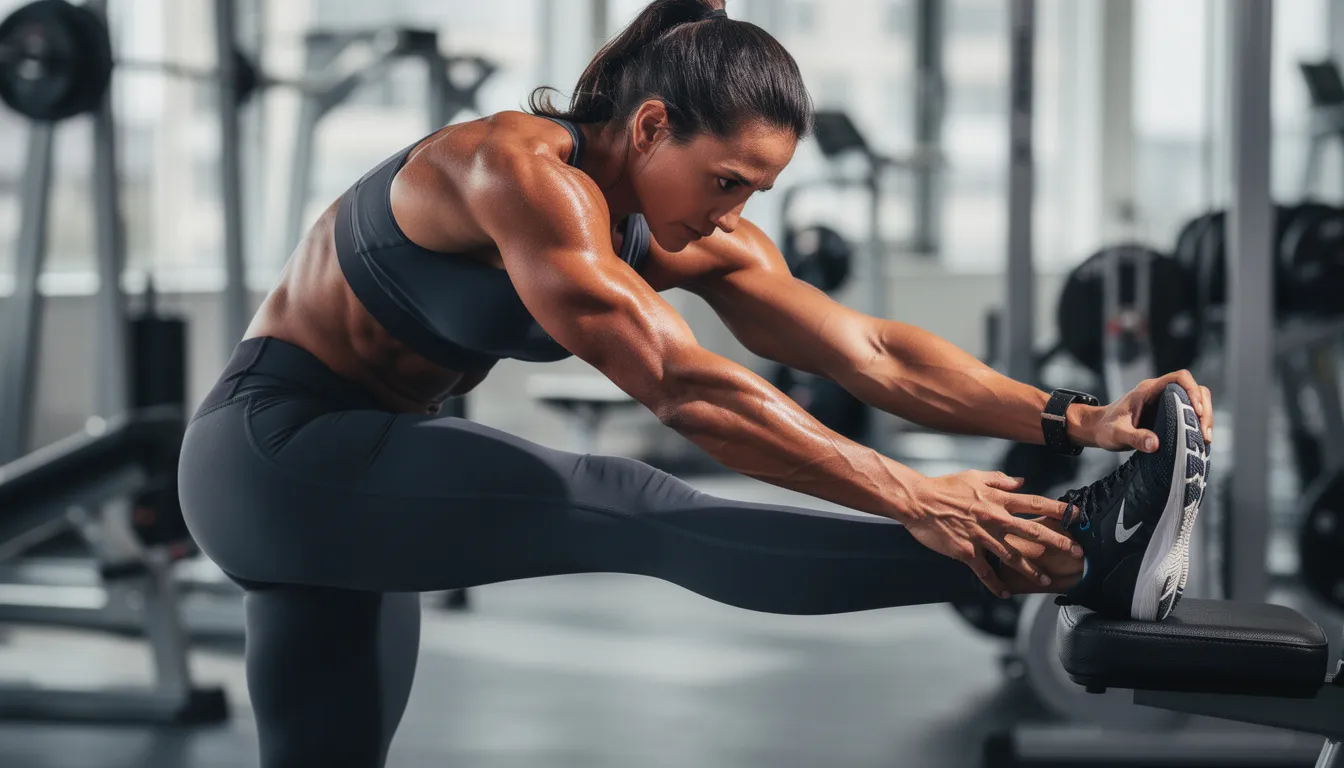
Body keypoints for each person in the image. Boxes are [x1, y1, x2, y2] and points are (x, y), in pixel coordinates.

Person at [176, 1, 1215, 765]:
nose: (733, 213)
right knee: (634, 504)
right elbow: (680, 383)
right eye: (727, 182)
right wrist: (908, 490)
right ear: (653, 126)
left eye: (756, 191)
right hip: (273, 455)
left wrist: (1076, 413)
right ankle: (1077, 553)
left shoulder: (673, 223)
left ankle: (1072, 541)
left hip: (355, 490)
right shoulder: (511, 171)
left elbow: (868, 350)